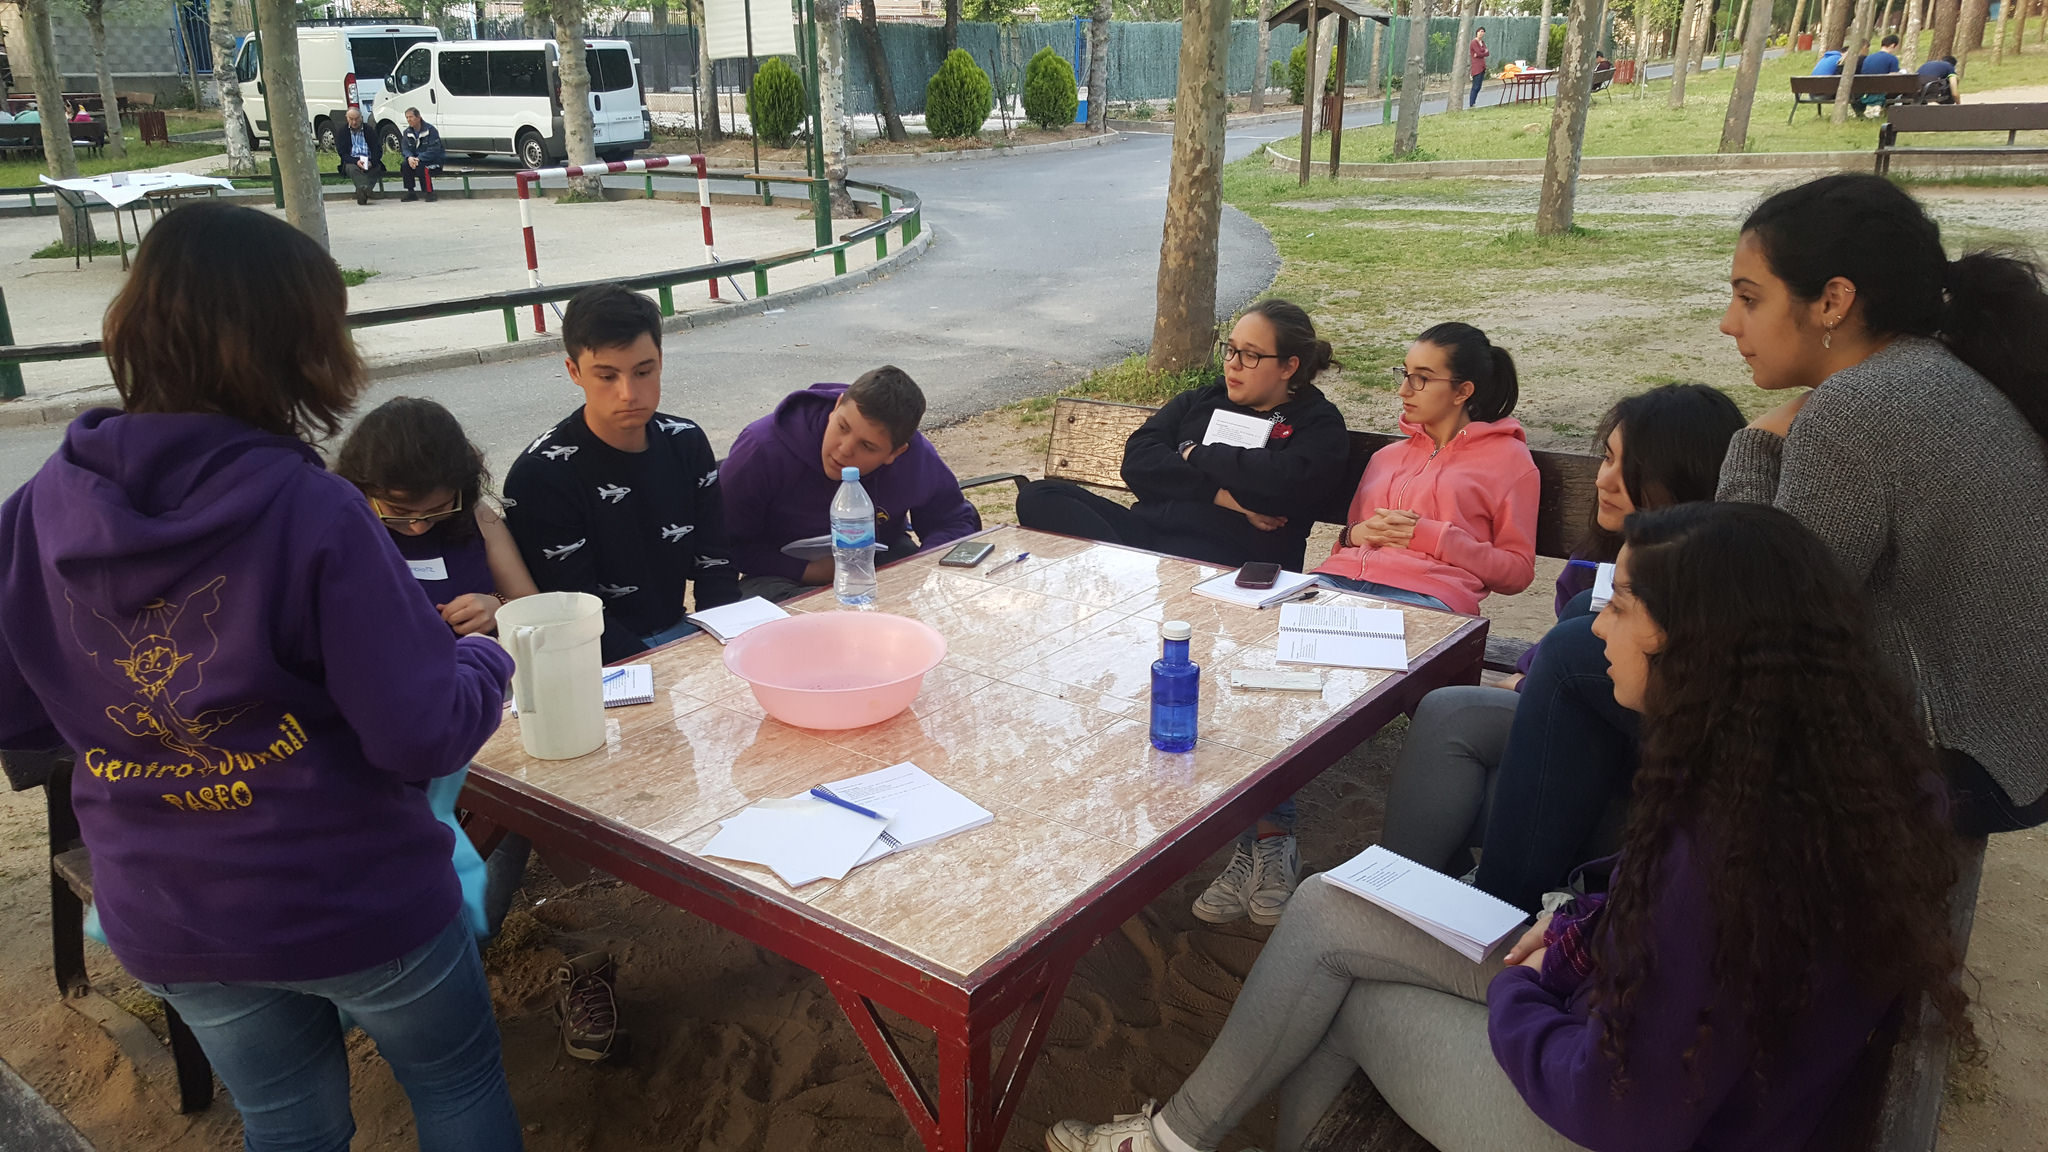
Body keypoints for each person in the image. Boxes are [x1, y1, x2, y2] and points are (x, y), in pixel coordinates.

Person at [1048, 502, 1975, 1152]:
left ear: (1692, 642)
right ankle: (1169, 1142)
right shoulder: (1821, 774)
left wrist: (1521, 995)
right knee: (1331, 904)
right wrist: (1580, 924)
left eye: (1620, 606)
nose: (1595, 629)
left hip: (1616, 1112)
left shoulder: (1726, 847)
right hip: (1645, 1034)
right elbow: (1675, 968)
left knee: (1349, 1002)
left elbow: (1623, 1109)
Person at [0, 203, 523, 1150]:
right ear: (302, 347)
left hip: (171, 910)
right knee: (456, 1082)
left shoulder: (39, 508)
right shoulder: (313, 512)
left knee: (287, 1125)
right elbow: (421, 734)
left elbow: (17, 714)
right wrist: (486, 657)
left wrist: (132, 730)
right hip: (350, 898)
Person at [1716, 172, 2048, 835]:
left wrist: (1753, 443)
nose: (1729, 323)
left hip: (1955, 763)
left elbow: (1750, 618)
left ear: (1833, 300)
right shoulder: (1936, 369)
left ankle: (1541, 894)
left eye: (1749, 298)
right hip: (2016, 751)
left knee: (1584, 668)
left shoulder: (1857, 408)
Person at [1377, 384, 1745, 881]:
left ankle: (1443, 896)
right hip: (1582, 720)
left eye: (1632, 470)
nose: (1604, 480)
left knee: (1461, 740)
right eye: (1607, 458)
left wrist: (1534, 677)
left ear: (1685, 481)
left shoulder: (1710, 584)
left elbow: (1578, 659)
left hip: (1651, 746)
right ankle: (1416, 889)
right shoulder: (1598, 557)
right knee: (1447, 713)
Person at [1015, 298, 1349, 573]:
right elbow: (1139, 460)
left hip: (1231, 558)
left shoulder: (1317, 422)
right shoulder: (1203, 400)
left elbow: (1280, 486)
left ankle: (1125, 575)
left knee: (1170, 565)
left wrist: (1192, 453)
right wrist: (1223, 496)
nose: (1233, 364)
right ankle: (1127, 571)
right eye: (1230, 350)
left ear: (1288, 366)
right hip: (1148, 534)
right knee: (1039, 496)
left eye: (1250, 355)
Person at [504, 283, 740, 663]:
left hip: (684, 632)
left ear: (660, 360)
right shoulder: (541, 475)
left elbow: (716, 565)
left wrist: (725, 650)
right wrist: (662, 669)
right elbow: (574, 613)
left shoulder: (686, 441)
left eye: (643, 371)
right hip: (591, 658)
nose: (629, 393)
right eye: (607, 376)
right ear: (574, 371)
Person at [1312, 322, 1538, 615]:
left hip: (1428, 594)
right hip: (1337, 579)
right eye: (1405, 374)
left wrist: (1438, 538)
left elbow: (1517, 572)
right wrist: (1357, 534)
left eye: (1422, 378)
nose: (1403, 390)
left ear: (1462, 391)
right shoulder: (1386, 457)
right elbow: (1349, 539)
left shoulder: (1509, 461)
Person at [721, 367, 982, 603]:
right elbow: (725, 544)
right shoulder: (761, 449)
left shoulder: (915, 456)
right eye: (843, 427)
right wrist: (808, 571)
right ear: (836, 406)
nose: (844, 450)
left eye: (867, 446)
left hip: (878, 560)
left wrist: (920, 567)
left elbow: (952, 520)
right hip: (779, 573)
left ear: (895, 453)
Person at [335, 397, 539, 637]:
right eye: (399, 511)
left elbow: (533, 607)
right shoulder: (339, 527)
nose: (418, 527)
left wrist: (498, 606)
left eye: (438, 509)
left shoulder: (477, 515)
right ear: (362, 488)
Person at [336, 106, 384, 206]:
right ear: (347, 118)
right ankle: (366, 190)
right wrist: (356, 161)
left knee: (376, 168)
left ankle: (362, 192)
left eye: (356, 119)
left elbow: (378, 150)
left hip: (369, 159)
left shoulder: (369, 130)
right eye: (351, 119)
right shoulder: (342, 132)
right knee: (353, 169)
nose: (354, 122)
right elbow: (342, 153)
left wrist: (371, 162)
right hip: (352, 161)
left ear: (361, 118)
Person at [398, 107, 445, 203]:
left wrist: (419, 158)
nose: (409, 120)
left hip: (433, 161)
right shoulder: (407, 132)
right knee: (405, 165)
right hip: (415, 161)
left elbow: (434, 150)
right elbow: (405, 148)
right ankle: (411, 192)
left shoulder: (431, 130)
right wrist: (410, 157)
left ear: (418, 117)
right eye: (407, 117)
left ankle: (429, 193)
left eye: (411, 117)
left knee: (422, 167)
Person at [1468, 26, 1490, 109]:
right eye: (1480, 31)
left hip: (1482, 66)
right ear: (1477, 32)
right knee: (1475, 86)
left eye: (1483, 32)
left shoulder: (1482, 42)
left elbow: (1487, 53)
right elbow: (1479, 52)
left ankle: (1474, 102)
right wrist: (1482, 52)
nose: (1481, 33)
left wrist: (1480, 53)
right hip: (1476, 67)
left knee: (1479, 86)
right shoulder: (1474, 42)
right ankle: (1471, 103)